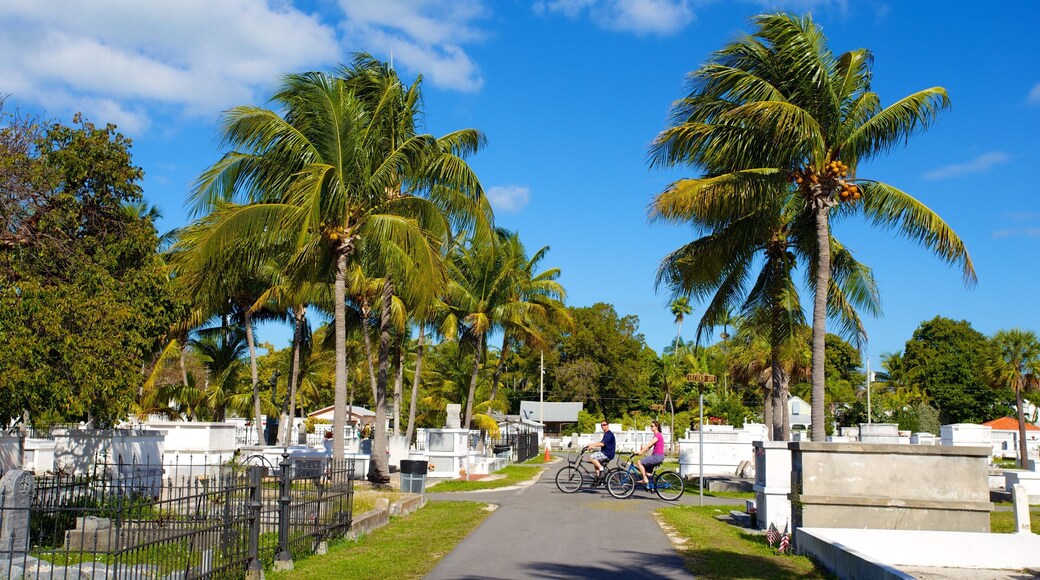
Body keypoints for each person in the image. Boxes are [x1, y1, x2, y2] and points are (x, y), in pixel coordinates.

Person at [636, 420, 665, 489]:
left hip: (657, 456)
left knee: (639, 462)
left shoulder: (657, 436)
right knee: (647, 471)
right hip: (657, 456)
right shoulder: (656, 436)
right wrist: (640, 451)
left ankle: (645, 480)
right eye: (650, 426)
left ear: (656, 427)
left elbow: (649, 445)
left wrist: (641, 452)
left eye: (652, 426)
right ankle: (651, 486)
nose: (651, 427)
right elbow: (648, 448)